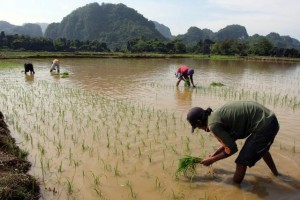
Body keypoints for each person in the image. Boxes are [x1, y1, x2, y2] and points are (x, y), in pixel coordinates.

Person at [186, 101, 279, 184]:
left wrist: (212, 160)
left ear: (199, 122)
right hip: (268, 118)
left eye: (198, 127)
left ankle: (236, 188)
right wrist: (214, 154)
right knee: (261, 149)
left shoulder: (213, 125)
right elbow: (229, 141)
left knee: (241, 162)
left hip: (265, 125)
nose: (201, 129)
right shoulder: (214, 116)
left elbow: (232, 149)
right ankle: (277, 175)